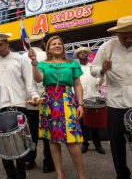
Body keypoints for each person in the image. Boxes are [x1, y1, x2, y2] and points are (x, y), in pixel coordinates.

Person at [28, 35, 86, 179]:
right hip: (49, 102)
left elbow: (77, 85)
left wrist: (80, 104)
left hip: (67, 101)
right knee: (53, 140)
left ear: (63, 46)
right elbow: (38, 79)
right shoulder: (43, 64)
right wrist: (34, 63)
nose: (57, 45)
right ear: (48, 48)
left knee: (72, 138)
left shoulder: (72, 63)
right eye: (53, 44)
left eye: (59, 43)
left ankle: (81, 174)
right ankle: (60, 173)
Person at [0, 33, 40, 179]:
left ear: (7, 44)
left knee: (20, 142)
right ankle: (10, 175)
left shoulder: (21, 59)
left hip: (18, 105)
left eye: (0, 44)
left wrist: (34, 96)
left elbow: (29, 83)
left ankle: (21, 175)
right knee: (3, 143)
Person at [90, 15, 132, 179]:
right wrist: (103, 69)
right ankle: (122, 175)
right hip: (115, 103)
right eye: (124, 36)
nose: (128, 38)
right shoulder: (107, 47)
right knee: (117, 143)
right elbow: (93, 70)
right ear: (117, 34)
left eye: (131, 35)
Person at [22, 34, 55, 173]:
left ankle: (30, 160)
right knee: (48, 134)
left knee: (31, 133)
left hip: (28, 100)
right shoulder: (48, 56)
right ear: (42, 42)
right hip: (46, 100)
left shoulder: (21, 57)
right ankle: (48, 163)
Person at [73, 47, 106, 154]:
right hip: (81, 100)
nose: (82, 53)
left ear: (88, 55)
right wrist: (77, 98)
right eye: (80, 53)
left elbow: (101, 80)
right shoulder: (75, 68)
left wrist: (99, 82)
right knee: (83, 125)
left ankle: (98, 145)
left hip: (94, 97)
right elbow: (74, 84)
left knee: (95, 124)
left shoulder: (94, 66)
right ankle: (85, 144)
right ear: (77, 56)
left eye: (84, 52)